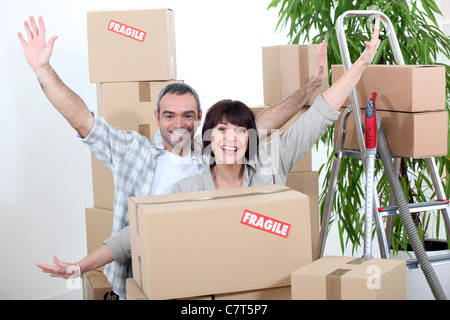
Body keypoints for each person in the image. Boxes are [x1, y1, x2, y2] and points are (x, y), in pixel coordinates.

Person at [36, 18, 382, 298]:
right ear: (208, 137)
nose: (230, 139)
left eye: (238, 132)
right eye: (221, 131)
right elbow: (130, 236)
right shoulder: (186, 187)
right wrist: (80, 267)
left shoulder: (267, 165)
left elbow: (316, 116)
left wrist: (355, 67)